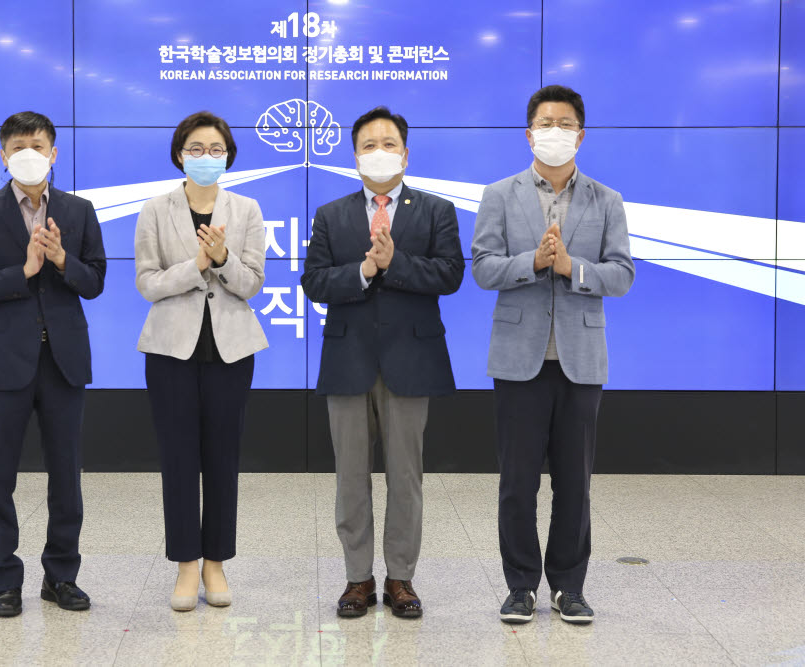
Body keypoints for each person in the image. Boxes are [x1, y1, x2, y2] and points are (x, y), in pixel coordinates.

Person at [471, 85, 635, 625]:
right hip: (518, 359)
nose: (555, 132)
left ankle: (569, 587)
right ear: (529, 133)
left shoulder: (605, 199)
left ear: (580, 135)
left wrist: (570, 267)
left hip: (580, 360)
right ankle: (520, 586)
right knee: (517, 483)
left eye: (565, 124)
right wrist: (534, 262)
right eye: (546, 123)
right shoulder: (500, 194)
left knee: (574, 483)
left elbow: (622, 274)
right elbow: (483, 267)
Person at [301, 107, 465, 619]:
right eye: (369, 144)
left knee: (405, 476)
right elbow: (314, 282)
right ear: (355, 156)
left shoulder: (435, 210)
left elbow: (450, 274)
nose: (379, 151)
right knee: (350, 476)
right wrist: (365, 269)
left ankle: (400, 578)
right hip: (348, 359)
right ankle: (357, 578)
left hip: (411, 360)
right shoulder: (332, 214)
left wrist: (396, 264)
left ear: (406, 153)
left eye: (388, 143)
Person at [0, 111, 107, 617]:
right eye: (18, 146)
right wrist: (23, 270)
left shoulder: (79, 211)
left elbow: (95, 282)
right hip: (2, 362)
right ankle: (6, 580)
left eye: (37, 145)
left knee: (66, 476)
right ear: (3, 155)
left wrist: (63, 261)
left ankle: (61, 577)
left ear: (54, 152)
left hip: (62, 361)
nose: (28, 153)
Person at [134, 111, 267, 611]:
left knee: (222, 459)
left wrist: (225, 258)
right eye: (196, 148)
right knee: (178, 460)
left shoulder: (246, 208)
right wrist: (196, 266)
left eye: (215, 149)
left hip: (230, 351)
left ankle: (216, 563)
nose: (206, 157)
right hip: (171, 350)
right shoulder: (155, 209)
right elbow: (147, 282)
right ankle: (186, 565)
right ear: (178, 154)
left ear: (228, 155)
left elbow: (252, 282)